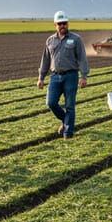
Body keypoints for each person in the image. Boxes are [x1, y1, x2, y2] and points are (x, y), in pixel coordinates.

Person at [38, 10, 89, 139]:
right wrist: (41, 78)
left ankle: (68, 133)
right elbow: (45, 60)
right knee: (51, 103)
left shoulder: (76, 39)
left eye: (64, 23)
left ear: (68, 24)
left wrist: (84, 76)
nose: (62, 26)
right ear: (55, 25)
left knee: (70, 105)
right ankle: (66, 120)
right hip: (55, 76)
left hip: (71, 76)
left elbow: (82, 58)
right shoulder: (50, 40)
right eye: (59, 24)